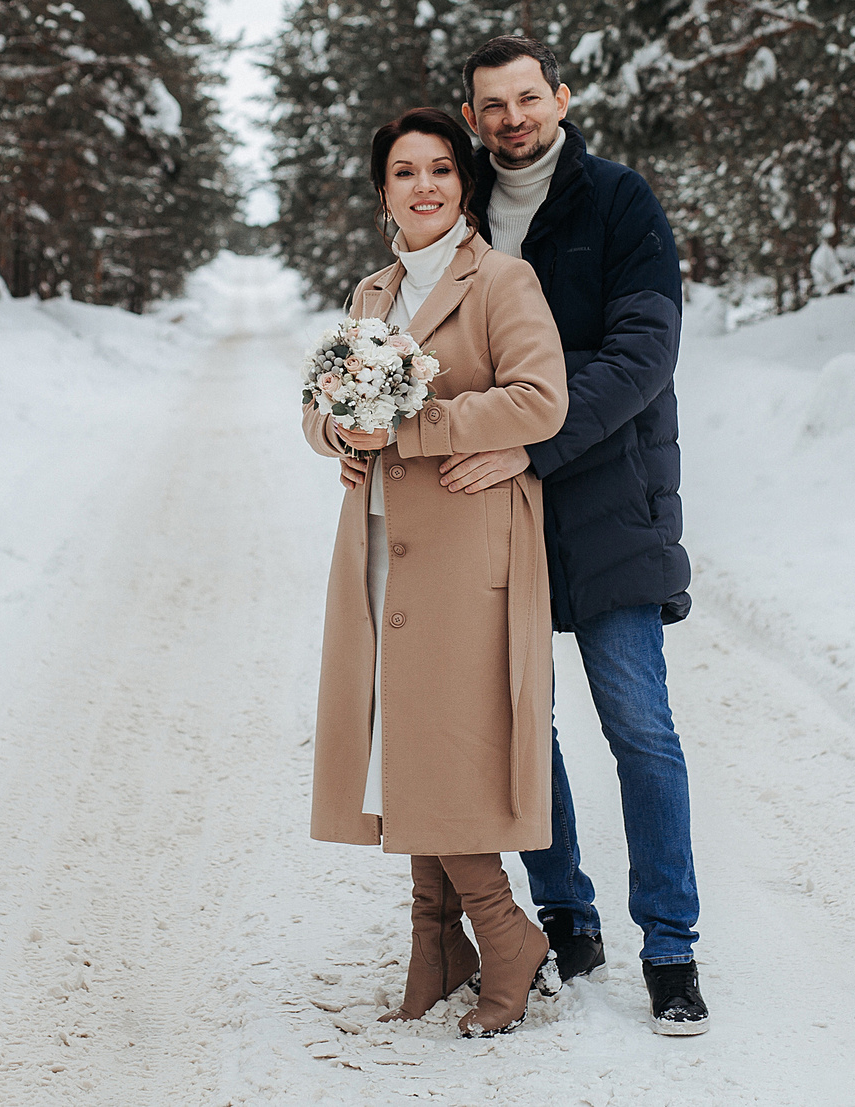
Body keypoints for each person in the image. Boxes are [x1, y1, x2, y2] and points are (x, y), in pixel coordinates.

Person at [439, 34, 709, 1037]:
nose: (512, 118)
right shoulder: (459, 210)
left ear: (561, 97)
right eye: (492, 105)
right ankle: (566, 915)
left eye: (527, 98)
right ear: (471, 117)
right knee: (524, 724)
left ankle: (671, 949)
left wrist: (528, 438)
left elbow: (644, 353)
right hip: (493, 506)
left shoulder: (620, 201)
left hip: (610, 498)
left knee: (640, 726)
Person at [302, 106, 571, 1037]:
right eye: (405, 172)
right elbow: (323, 402)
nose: (425, 186)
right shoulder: (370, 292)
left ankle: (505, 934)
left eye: (441, 169)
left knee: (448, 743)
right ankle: (437, 941)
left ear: (464, 184)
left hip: (467, 547)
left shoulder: (501, 280)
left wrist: (410, 426)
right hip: (380, 543)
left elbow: (541, 399)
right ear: (384, 192)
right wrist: (340, 433)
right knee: (401, 739)